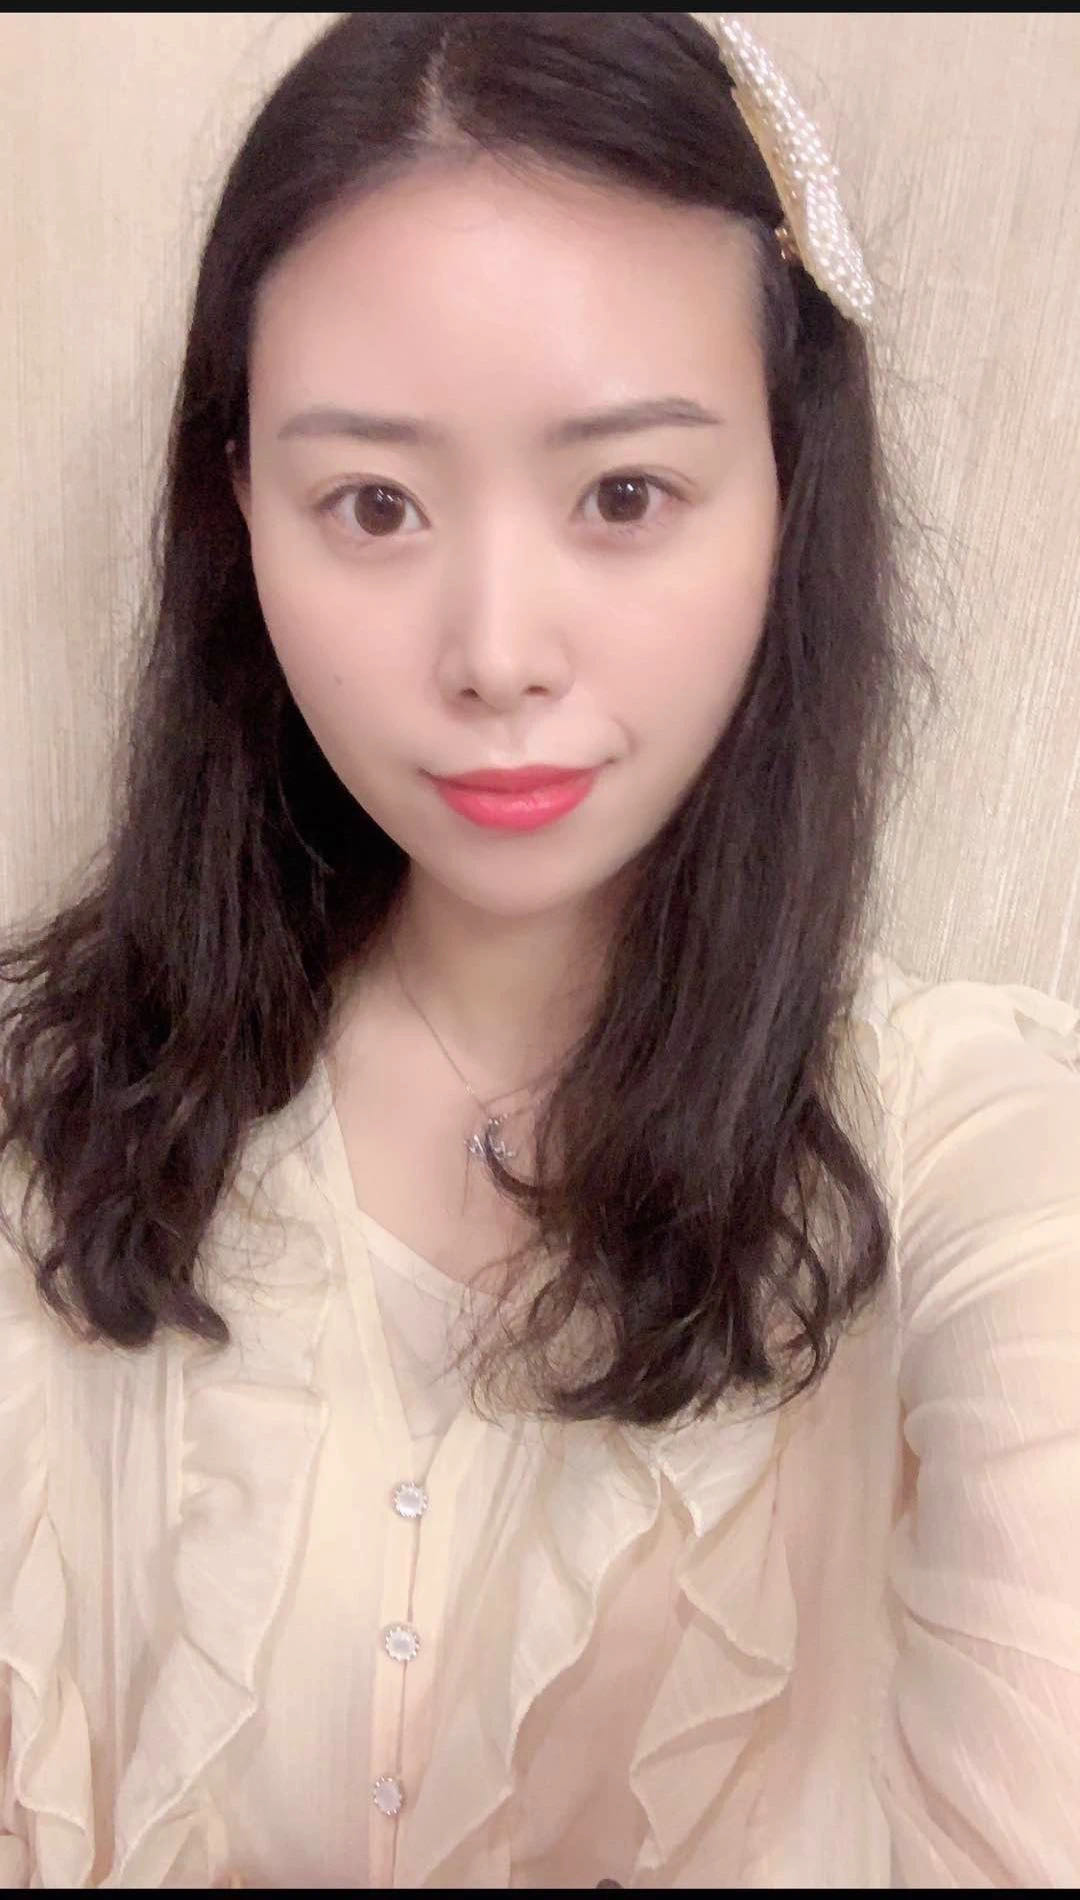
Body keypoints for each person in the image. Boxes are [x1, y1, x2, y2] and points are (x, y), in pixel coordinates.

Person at [1, 10, 1077, 1889]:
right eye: (376, 506)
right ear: (239, 506)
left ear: (789, 492)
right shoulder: (58, 1121)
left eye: (624, 495)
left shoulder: (972, 1157)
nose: (497, 650)